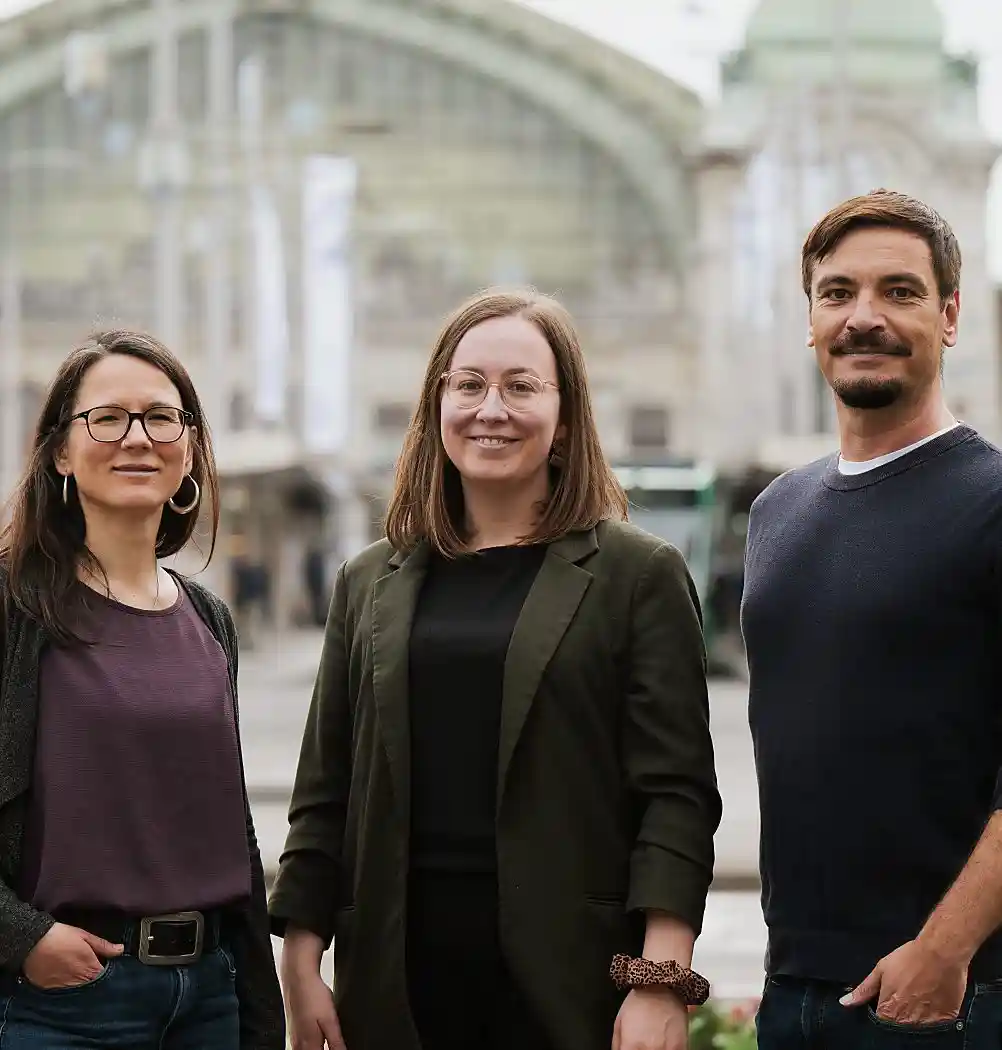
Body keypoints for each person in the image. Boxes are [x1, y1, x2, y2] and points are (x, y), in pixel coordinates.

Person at [269, 288, 721, 1050]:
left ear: (565, 418)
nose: (491, 409)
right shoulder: (368, 580)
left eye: (521, 386)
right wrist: (301, 960)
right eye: (469, 384)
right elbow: (325, 791)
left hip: (570, 988)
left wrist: (661, 978)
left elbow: (675, 795)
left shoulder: (637, 574)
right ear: (436, 405)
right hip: (397, 989)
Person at [742, 189, 1002, 1049]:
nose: (864, 317)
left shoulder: (993, 501)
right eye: (837, 293)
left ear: (950, 315)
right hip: (793, 988)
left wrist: (944, 949)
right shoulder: (777, 511)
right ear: (811, 320)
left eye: (899, 291)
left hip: (952, 994)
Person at [0, 330, 284, 1049]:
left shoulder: (208, 619)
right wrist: (22, 937)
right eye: (107, 418)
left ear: (189, 447)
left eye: (161, 417)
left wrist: (259, 1008)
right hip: (64, 1004)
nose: (137, 437)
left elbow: (230, 829)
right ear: (61, 452)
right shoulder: (13, 606)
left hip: (209, 997)